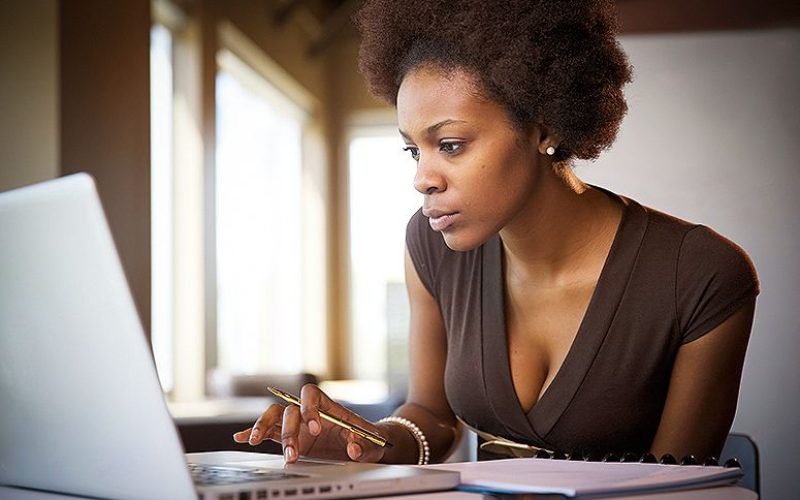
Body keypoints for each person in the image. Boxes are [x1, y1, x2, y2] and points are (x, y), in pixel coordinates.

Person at [234, 0, 759, 466]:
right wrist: (365, 441)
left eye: (452, 145)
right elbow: (433, 420)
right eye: (414, 150)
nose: (422, 178)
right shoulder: (431, 246)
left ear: (545, 126)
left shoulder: (700, 276)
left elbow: (678, 487)